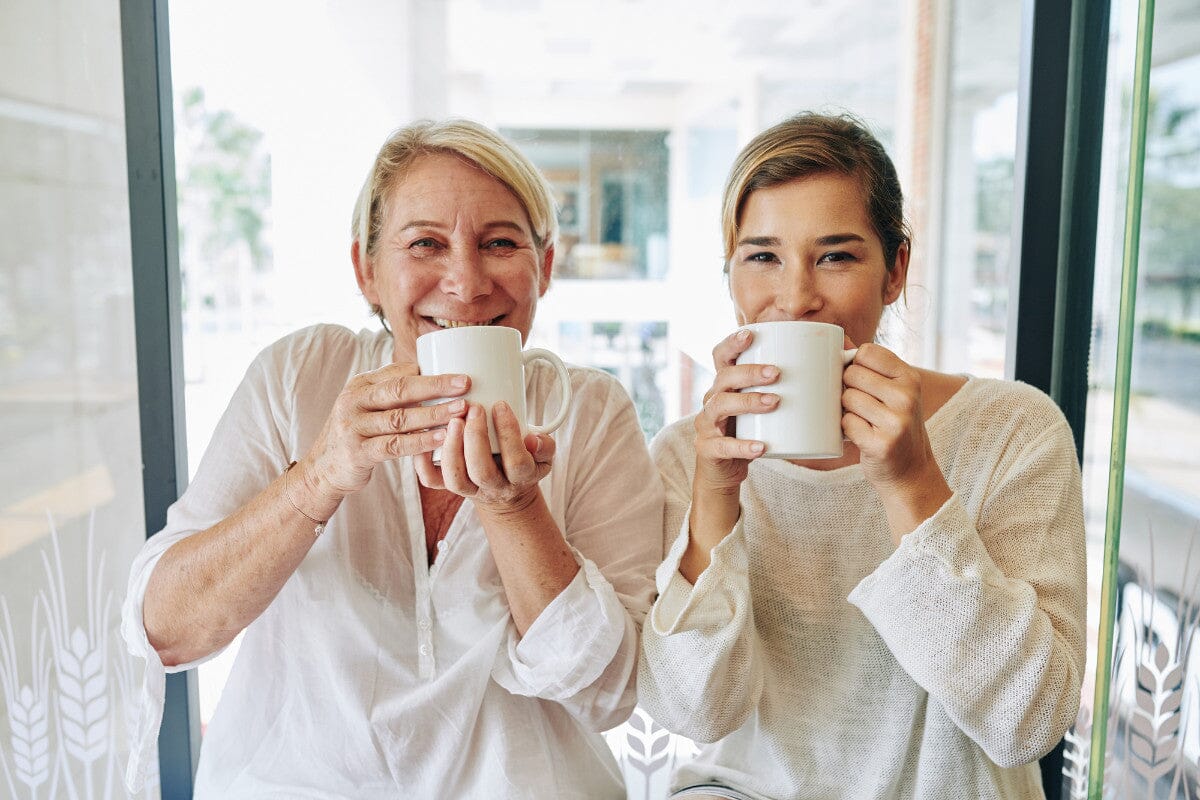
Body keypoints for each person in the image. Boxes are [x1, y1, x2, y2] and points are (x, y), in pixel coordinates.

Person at [121, 119, 663, 798]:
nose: (465, 283)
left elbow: (610, 692)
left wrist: (514, 509)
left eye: (499, 243)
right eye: (426, 243)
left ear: (544, 268)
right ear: (367, 271)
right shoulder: (300, 377)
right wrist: (318, 478)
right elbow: (167, 630)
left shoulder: (591, 410)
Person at [637, 112, 1086, 800]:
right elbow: (695, 712)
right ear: (730, 275)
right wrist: (715, 498)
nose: (796, 298)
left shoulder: (1011, 430)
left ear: (895, 268)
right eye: (763, 256)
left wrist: (913, 485)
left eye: (836, 256)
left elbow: (1028, 723)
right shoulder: (687, 456)